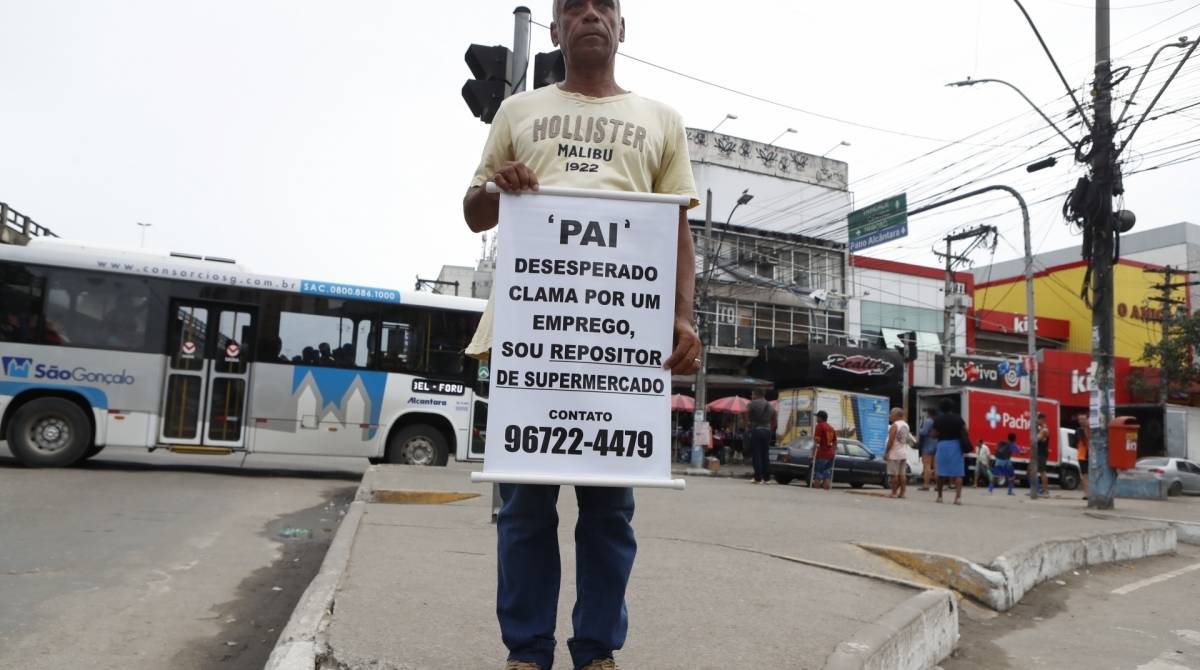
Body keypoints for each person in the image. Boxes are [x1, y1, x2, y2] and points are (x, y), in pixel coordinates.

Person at [461, 2, 701, 667]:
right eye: (574, 7)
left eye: (605, 6)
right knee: (523, 509)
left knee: (609, 511)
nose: (590, 14)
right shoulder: (519, 112)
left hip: (619, 343)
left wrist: (681, 315)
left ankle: (596, 650)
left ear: (622, 28)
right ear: (557, 30)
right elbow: (473, 212)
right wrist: (499, 188)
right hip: (529, 337)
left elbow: (677, 228)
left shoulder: (662, 120)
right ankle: (527, 650)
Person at [931, 399, 967, 505]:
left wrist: (940, 433)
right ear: (952, 407)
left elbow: (933, 435)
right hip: (956, 446)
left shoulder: (938, 419)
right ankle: (958, 498)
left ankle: (940, 497)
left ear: (941, 408)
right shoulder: (958, 418)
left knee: (941, 472)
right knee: (958, 473)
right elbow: (965, 430)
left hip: (942, 445)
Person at [747, 389, 776, 484]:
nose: (751, 396)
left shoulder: (753, 403)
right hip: (767, 432)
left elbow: (745, 411)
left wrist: (747, 422)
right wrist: (771, 428)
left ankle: (757, 478)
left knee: (757, 455)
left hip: (757, 430)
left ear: (756, 394)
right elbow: (774, 418)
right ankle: (766, 478)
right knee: (765, 455)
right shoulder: (770, 406)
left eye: (752, 394)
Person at [885, 407, 911, 499]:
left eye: (891, 414)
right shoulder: (906, 425)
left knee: (894, 475)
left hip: (894, 453)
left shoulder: (895, 425)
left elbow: (891, 440)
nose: (890, 416)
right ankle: (902, 493)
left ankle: (894, 492)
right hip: (903, 452)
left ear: (896, 415)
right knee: (902, 474)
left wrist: (887, 452)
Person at [811, 410, 838, 491]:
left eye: (817, 417)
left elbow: (817, 441)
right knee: (827, 474)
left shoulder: (819, 426)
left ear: (820, 418)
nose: (816, 418)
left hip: (822, 454)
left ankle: (816, 492)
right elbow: (835, 442)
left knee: (818, 472)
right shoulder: (831, 428)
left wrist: (813, 453)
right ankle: (825, 493)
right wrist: (832, 451)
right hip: (830, 455)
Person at [918, 407, 937, 491]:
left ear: (929, 413)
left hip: (927, 445)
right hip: (936, 444)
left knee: (927, 466)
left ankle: (926, 485)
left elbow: (923, 432)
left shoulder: (928, 421)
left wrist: (920, 428)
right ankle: (937, 485)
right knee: (936, 466)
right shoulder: (937, 421)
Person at [1034, 413, 1051, 496]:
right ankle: (1040, 489)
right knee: (1035, 471)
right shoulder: (1041, 429)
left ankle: (1045, 490)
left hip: (1042, 453)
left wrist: (1036, 431)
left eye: (1038, 419)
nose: (1036, 421)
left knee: (1042, 471)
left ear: (1042, 419)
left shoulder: (1044, 430)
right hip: (1039, 452)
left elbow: (1036, 439)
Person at [1075, 412, 1090, 500]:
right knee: (1084, 475)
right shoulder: (1078, 431)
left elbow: (1089, 438)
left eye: (1083, 419)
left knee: (1091, 475)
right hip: (1082, 455)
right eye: (1080, 419)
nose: (1081, 421)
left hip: (1091, 454)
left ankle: (1091, 492)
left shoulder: (1091, 429)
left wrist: (1087, 428)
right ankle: (1086, 494)